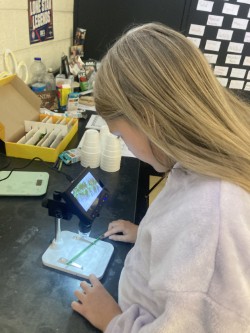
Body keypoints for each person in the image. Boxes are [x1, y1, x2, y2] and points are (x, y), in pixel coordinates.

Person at [71, 22, 250, 332]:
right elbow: (192, 254)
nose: (123, 144)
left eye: (119, 135)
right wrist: (151, 237)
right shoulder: (203, 163)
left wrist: (114, 321)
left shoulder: (213, 217)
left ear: (148, 119)